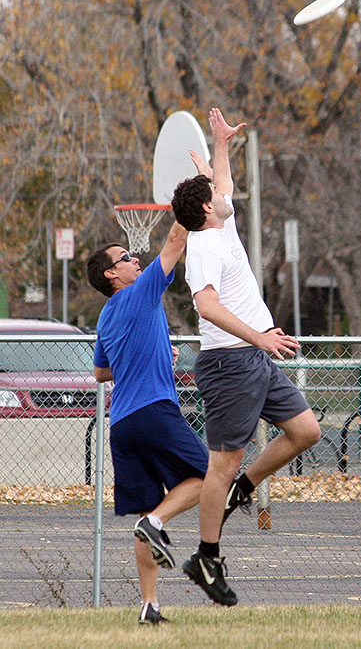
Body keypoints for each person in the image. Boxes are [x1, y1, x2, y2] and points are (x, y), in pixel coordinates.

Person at [170, 108, 321, 607]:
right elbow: (207, 307)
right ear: (206, 209)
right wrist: (260, 338)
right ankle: (206, 557)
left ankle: (244, 488)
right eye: (215, 192)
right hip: (230, 363)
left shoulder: (222, 224)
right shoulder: (204, 249)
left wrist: (220, 145)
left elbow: (224, 182)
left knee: (306, 432)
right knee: (222, 462)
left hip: (254, 356)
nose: (223, 192)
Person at [88, 218, 208, 625]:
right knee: (212, 477)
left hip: (122, 425)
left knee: (144, 517)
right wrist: (189, 200)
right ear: (111, 274)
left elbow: (102, 373)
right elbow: (177, 238)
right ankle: (157, 523)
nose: (135, 259)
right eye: (125, 258)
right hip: (153, 410)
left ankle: (150, 605)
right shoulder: (141, 291)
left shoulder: (106, 316)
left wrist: (155, 352)